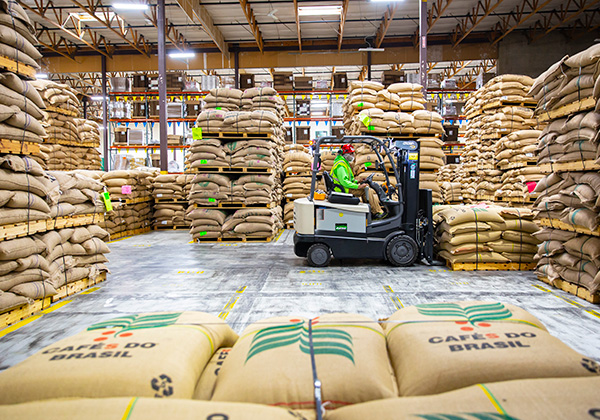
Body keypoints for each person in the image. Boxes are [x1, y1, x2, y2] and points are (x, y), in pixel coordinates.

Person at [330, 144, 386, 219]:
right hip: (342, 189)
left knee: (365, 189)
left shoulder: (344, 163)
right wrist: (358, 186)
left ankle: (371, 212)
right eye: (351, 154)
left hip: (343, 188)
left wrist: (357, 181)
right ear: (345, 154)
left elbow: (348, 179)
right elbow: (344, 181)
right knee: (366, 190)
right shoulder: (341, 165)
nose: (353, 155)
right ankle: (377, 212)